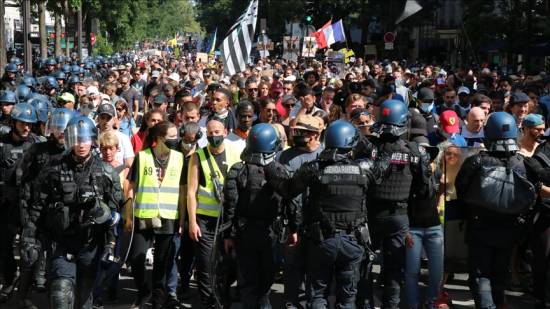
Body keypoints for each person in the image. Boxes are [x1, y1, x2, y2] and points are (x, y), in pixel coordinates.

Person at [266, 120, 386, 308]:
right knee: (347, 298)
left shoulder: (314, 168)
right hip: (353, 240)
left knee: (318, 295)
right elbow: (381, 167)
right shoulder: (364, 169)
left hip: (322, 241)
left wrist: (268, 164)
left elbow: (287, 189)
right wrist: (366, 143)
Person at [28, 115, 122, 308]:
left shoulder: (106, 173)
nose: (81, 144)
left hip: (90, 244)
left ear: (92, 140)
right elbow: (38, 206)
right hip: (61, 241)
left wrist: (110, 245)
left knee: (84, 299)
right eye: (77, 139)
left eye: (85, 139)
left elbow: (114, 214)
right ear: (70, 140)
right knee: (60, 293)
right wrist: (30, 240)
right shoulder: (53, 169)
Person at [455, 112, 535, 309]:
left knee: (481, 275)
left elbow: (461, 188)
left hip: (480, 228)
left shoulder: (477, 161)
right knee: (500, 273)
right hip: (510, 229)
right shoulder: (520, 164)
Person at [362, 99, 432, 309]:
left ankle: (364, 303)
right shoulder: (415, 151)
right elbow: (425, 190)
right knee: (394, 270)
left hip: (370, 215)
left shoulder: (367, 147)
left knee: (364, 265)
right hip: (399, 216)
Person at [223, 123, 287, 308]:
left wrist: (228, 235)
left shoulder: (238, 170)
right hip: (270, 234)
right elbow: (290, 202)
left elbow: (230, 207)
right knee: (265, 285)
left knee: (249, 284)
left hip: (245, 233)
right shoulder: (279, 170)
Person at [17, 108, 74, 309]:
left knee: (58, 259)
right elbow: (23, 182)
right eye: (57, 128)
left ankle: (55, 295)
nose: (60, 132)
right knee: (29, 255)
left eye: (64, 128)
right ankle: (23, 296)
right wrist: (25, 214)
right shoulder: (37, 150)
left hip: (61, 216)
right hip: (36, 212)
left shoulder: (74, 153)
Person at [127, 121, 185, 309]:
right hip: (144, 215)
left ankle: (158, 301)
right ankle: (144, 290)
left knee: (162, 262)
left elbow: (183, 191)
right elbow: (130, 188)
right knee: (136, 258)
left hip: (169, 216)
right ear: (159, 138)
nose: (176, 140)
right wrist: (128, 215)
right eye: (172, 136)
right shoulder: (142, 157)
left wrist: (183, 219)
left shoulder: (179, 158)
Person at [187, 118, 243, 308]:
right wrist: (192, 222)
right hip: (205, 219)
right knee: (206, 264)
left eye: (217, 132)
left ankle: (223, 294)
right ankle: (209, 302)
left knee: (230, 262)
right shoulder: (198, 156)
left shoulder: (236, 153)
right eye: (210, 133)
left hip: (229, 219)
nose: (214, 136)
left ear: (225, 132)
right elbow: (191, 192)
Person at [0, 103, 42, 304]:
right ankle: (9, 280)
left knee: (30, 250)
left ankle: (28, 289)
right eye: (22, 123)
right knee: (4, 247)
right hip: (7, 206)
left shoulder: (37, 145)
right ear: (13, 122)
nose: (27, 128)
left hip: (30, 206)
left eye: (30, 124)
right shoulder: (2, 145)